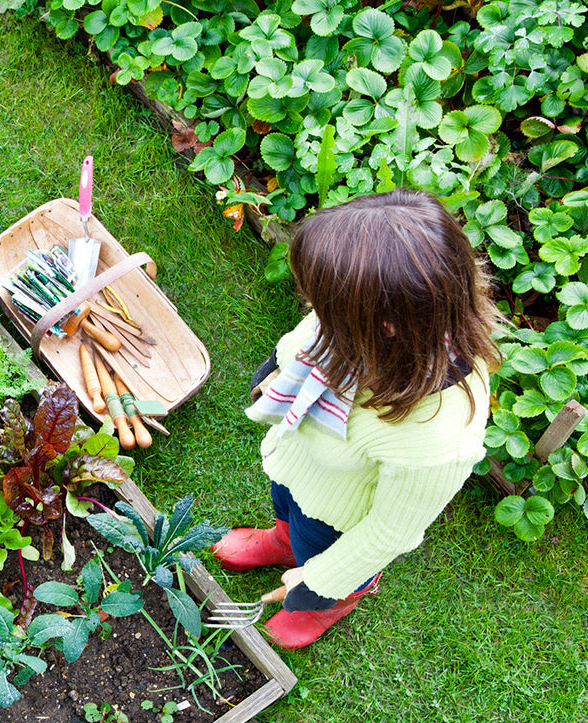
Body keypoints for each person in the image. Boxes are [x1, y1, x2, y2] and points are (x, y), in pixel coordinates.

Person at [211, 189, 501, 649]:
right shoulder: (365, 328)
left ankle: (333, 602)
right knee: (286, 504)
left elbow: (389, 532)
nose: (311, 308)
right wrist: (276, 372)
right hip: (302, 463)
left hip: (340, 518)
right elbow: (307, 339)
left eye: (322, 304)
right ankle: (285, 542)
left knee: (318, 547)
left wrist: (317, 582)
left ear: (382, 324)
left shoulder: (439, 435)